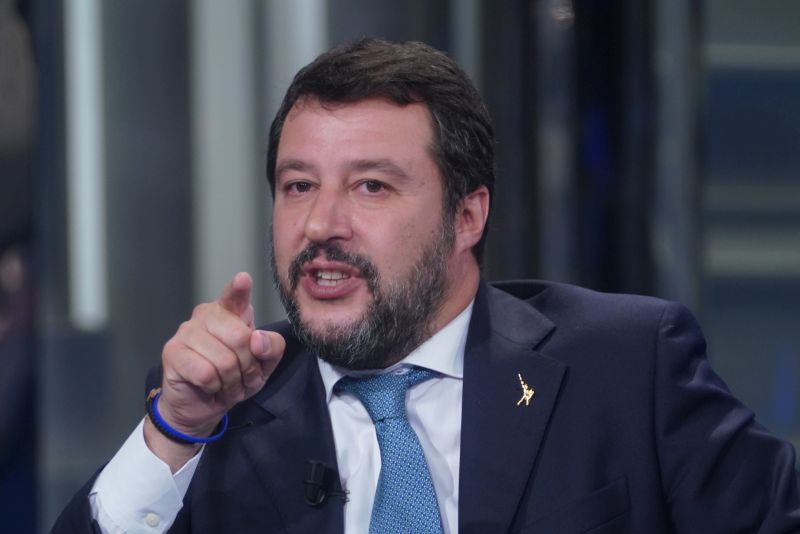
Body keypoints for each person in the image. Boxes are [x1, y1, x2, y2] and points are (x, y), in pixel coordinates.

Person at [54, 38, 800, 534]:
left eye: (371, 187)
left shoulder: (627, 365)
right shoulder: (219, 411)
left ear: (466, 215)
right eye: (298, 185)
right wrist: (173, 431)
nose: (320, 225)